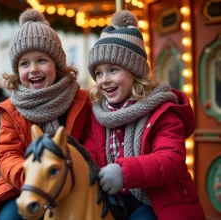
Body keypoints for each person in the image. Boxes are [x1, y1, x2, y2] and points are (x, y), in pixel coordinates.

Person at [84, 10, 205, 220]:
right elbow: (91, 151)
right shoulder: (99, 114)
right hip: (115, 197)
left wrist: (124, 172)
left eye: (113, 69)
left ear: (136, 72)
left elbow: (170, 159)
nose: (104, 79)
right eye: (98, 73)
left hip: (155, 199)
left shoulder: (162, 111)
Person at [0, 9, 92, 220]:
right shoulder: (11, 110)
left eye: (41, 60)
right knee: (9, 217)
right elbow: (6, 153)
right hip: (26, 185)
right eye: (24, 63)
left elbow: (92, 142)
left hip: (73, 181)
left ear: (57, 66)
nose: (33, 69)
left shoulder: (80, 100)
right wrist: (31, 176)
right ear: (17, 71)